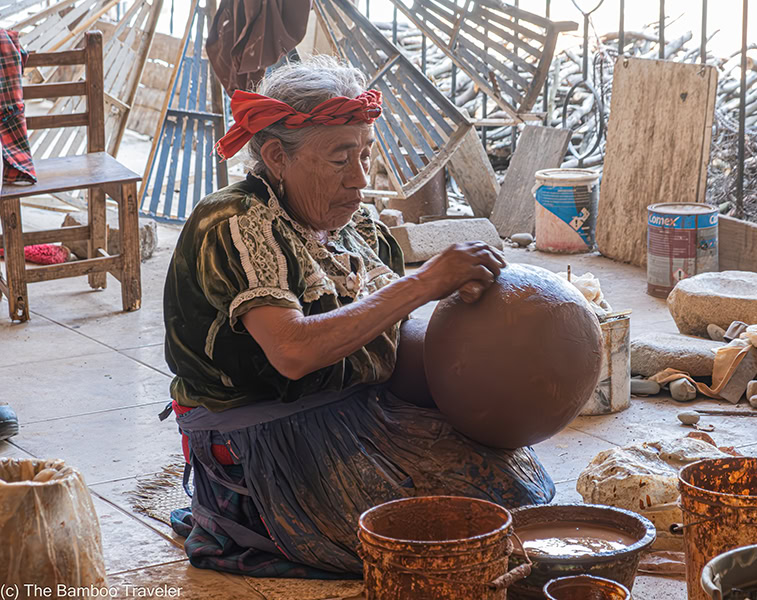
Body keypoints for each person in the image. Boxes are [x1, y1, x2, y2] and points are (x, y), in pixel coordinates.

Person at [163, 55, 554, 578]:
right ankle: (245, 517)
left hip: (354, 408)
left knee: (516, 492)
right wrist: (425, 282)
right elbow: (293, 352)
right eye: (340, 158)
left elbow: (387, 327)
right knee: (433, 542)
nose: (360, 178)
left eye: (365, 153)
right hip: (267, 435)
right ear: (277, 155)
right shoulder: (236, 224)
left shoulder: (354, 224)